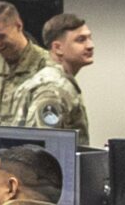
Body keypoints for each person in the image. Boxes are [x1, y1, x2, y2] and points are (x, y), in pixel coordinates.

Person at [0, 2, 72, 137]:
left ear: (19, 26)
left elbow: (57, 127)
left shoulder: (48, 66)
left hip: (35, 148)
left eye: (1, 37)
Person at [37, 12, 94, 145]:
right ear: (58, 48)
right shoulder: (53, 88)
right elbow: (44, 145)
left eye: (89, 38)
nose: (90, 45)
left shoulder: (59, 82)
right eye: (81, 40)